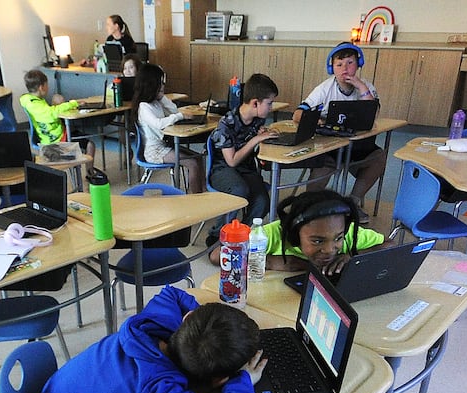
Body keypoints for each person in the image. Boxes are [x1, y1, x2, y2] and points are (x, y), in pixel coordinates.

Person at [28, 285, 266, 393]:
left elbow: (171, 294)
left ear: (187, 318)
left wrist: (203, 328)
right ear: (219, 380)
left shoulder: (150, 325)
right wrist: (241, 381)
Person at [293, 42, 386, 224]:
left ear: (358, 64)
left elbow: (373, 114)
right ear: (331, 68)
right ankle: (309, 206)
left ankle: (353, 203)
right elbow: (297, 114)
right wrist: (317, 119)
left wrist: (360, 87)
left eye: (350, 63)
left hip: (358, 146)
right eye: (339, 64)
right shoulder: (324, 89)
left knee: (379, 157)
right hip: (330, 148)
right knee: (321, 169)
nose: (345, 68)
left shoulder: (366, 87)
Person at [205, 73, 279, 249]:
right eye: (269, 103)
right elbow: (231, 161)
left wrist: (261, 133)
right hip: (222, 168)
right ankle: (218, 234)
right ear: (255, 103)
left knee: (262, 200)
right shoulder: (226, 124)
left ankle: (241, 234)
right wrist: (254, 140)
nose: (271, 107)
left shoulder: (257, 118)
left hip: (245, 167)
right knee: (239, 190)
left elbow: (255, 133)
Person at [265, 190, 389, 276]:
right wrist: (271, 261)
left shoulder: (349, 234)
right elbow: (245, 254)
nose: (329, 249)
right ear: (295, 234)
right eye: (318, 241)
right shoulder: (270, 235)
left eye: (338, 238)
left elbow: (390, 245)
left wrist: (353, 256)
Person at [133, 63, 205, 193]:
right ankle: (195, 199)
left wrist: (163, 98)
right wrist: (180, 116)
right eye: (160, 82)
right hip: (154, 151)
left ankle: (202, 190)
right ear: (151, 84)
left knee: (198, 158)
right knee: (192, 164)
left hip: (164, 145)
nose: (163, 85)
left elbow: (173, 110)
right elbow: (159, 123)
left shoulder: (156, 102)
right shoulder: (144, 106)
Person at [19, 69, 96, 171]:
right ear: (41, 87)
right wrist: (74, 103)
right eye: (47, 85)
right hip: (55, 143)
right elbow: (52, 114)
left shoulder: (28, 100)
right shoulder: (36, 106)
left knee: (57, 98)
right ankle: (90, 173)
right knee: (90, 145)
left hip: (52, 137)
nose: (48, 87)